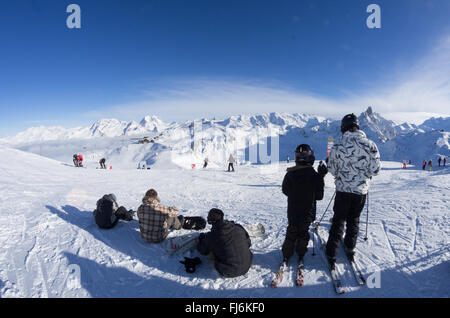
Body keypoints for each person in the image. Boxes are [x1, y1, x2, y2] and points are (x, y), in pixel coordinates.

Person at [325, 113, 381, 268]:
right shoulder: (371, 145)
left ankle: (331, 251)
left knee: (338, 220)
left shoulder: (337, 146)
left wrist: (341, 175)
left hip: (343, 190)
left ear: (343, 127)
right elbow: (375, 170)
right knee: (354, 219)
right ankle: (350, 247)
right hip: (360, 191)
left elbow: (332, 168)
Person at [281, 144, 325, 265]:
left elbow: (285, 190)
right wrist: (321, 177)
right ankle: (301, 253)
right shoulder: (315, 176)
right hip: (308, 211)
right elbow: (319, 196)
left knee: (292, 231)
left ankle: (286, 254)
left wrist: (295, 195)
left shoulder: (290, 174)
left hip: (293, 210)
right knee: (303, 233)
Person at [196, 209, 253, 278]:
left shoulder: (213, 236)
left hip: (228, 271)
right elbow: (248, 243)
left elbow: (203, 251)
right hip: (247, 265)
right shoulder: (238, 227)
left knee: (211, 252)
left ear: (210, 220)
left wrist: (198, 242)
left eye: (208, 216)